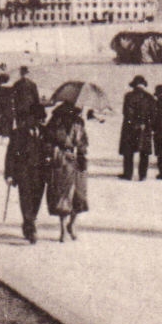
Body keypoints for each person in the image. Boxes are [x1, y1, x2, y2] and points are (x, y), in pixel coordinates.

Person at [4, 100, 51, 243]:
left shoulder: (45, 132)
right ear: (29, 118)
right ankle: (30, 227)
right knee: (25, 199)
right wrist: (9, 174)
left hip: (40, 172)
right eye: (35, 118)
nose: (37, 121)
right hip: (23, 171)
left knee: (36, 199)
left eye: (40, 119)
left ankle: (29, 222)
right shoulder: (18, 133)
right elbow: (10, 155)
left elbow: (49, 150)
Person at [45, 99, 90, 242]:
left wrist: (81, 153)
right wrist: (55, 152)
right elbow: (47, 141)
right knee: (63, 196)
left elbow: (84, 142)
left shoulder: (79, 123)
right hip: (61, 162)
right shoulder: (55, 122)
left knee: (79, 196)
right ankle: (63, 229)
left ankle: (72, 223)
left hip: (77, 162)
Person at [119, 75, 155, 180]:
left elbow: (126, 112)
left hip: (130, 128)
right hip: (145, 128)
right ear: (144, 85)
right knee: (144, 152)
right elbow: (153, 114)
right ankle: (142, 175)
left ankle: (128, 174)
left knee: (128, 152)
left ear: (134, 85)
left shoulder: (129, 96)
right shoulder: (150, 97)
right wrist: (145, 124)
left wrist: (134, 123)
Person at [11, 66, 45, 135]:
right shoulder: (31, 84)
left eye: (23, 73)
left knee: (22, 126)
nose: (23, 75)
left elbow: (14, 97)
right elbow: (36, 98)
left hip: (23, 109)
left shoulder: (17, 84)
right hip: (28, 108)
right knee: (29, 126)